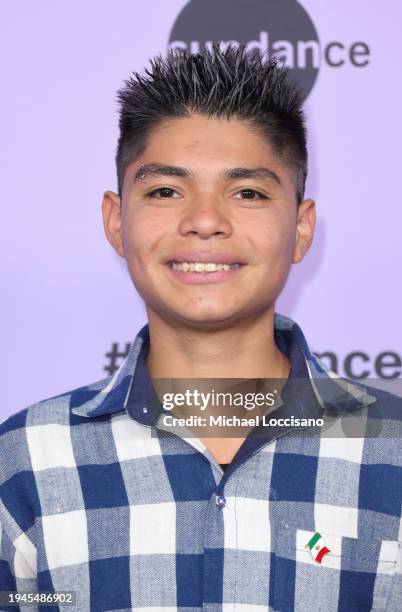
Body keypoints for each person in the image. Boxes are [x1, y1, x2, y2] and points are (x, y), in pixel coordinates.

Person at [0, 43, 401, 611]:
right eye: (165, 190)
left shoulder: (394, 452)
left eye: (248, 193)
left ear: (302, 229)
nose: (206, 221)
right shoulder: (24, 461)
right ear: (117, 221)